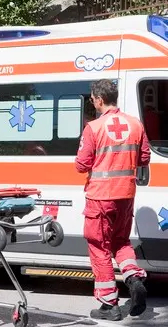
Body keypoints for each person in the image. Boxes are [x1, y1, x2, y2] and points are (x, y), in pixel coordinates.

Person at [75, 79, 150, 321]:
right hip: (125, 195)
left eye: (92, 98)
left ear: (98, 99)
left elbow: (82, 165)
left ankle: (109, 305)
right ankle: (134, 278)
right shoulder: (135, 124)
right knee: (121, 241)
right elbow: (145, 157)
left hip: (100, 197)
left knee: (99, 247)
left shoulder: (93, 127)